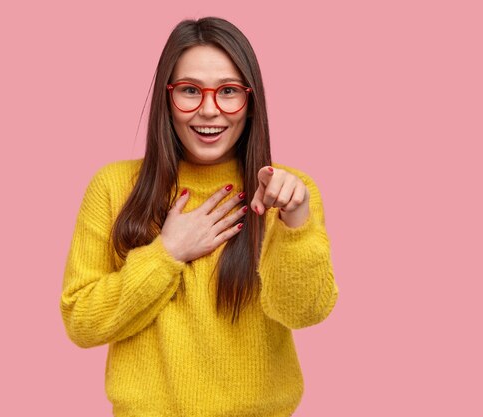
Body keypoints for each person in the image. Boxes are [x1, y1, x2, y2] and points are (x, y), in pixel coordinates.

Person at [60, 16, 339, 417]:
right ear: (166, 97)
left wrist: (296, 224)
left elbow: (304, 312)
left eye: (228, 91)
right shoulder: (113, 186)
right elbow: (81, 322)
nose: (209, 110)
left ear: (251, 99)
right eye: (190, 90)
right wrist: (167, 253)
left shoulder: (288, 193)